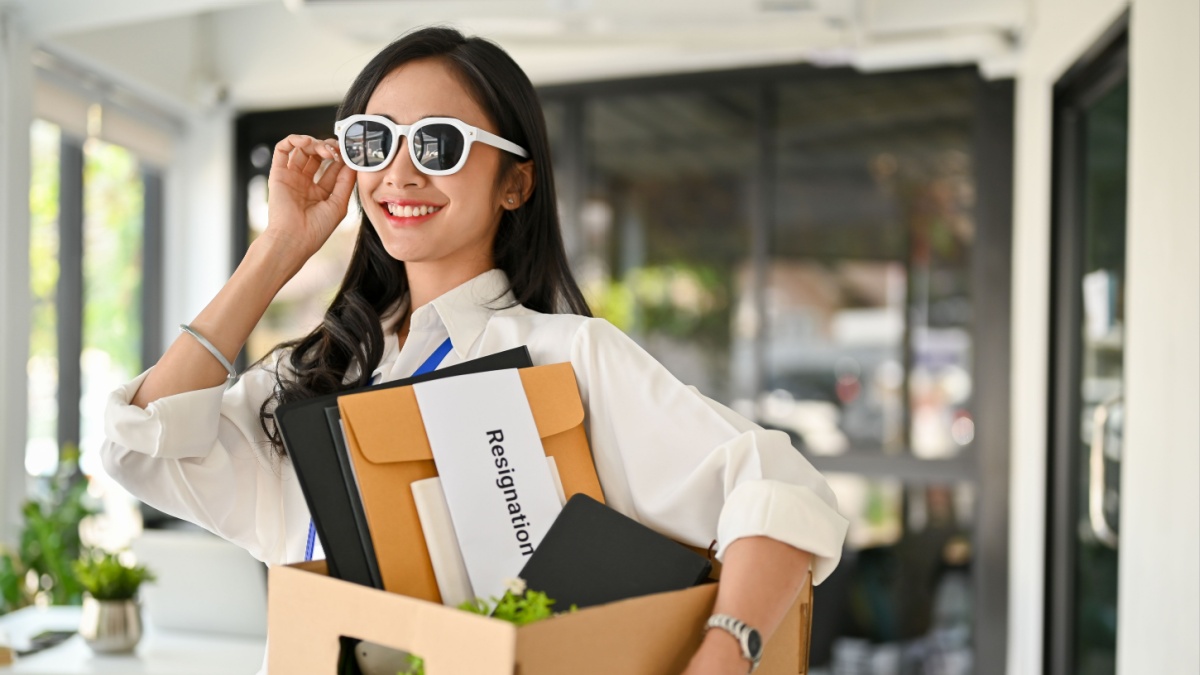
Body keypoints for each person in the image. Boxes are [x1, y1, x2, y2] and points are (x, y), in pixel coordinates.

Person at [101, 26, 848, 674]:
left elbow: (779, 489)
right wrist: (280, 247)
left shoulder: (568, 358)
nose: (400, 171)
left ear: (515, 182)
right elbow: (147, 445)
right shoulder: (319, 373)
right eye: (375, 139)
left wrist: (725, 650)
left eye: (438, 143)